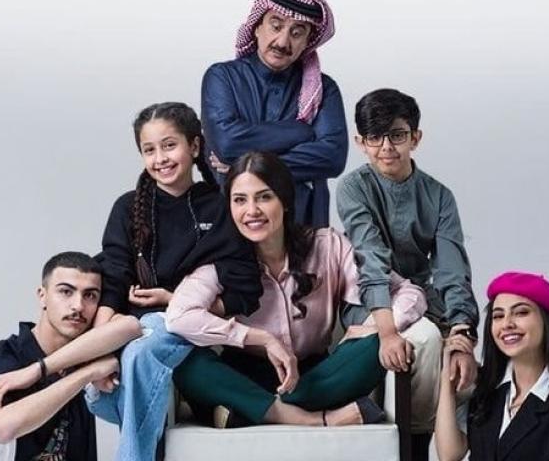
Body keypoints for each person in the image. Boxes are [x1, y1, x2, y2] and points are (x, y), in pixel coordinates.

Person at [0, 103, 263, 461]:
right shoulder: (128, 208)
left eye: (169, 145)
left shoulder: (221, 208)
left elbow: (245, 289)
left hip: (191, 327)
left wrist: (176, 301)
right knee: (110, 388)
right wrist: (99, 352)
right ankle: (190, 402)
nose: (160, 158)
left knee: (143, 353)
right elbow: (113, 279)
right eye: (149, 150)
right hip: (131, 330)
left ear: (194, 146)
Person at [167, 151, 426, 428]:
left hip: (316, 378)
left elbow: (408, 292)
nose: (251, 211)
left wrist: (378, 328)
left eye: (264, 197)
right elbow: (177, 317)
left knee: (378, 344)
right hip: (242, 378)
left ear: (285, 201)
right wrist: (263, 339)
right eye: (240, 200)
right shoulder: (220, 262)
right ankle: (314, 418)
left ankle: (249, 414)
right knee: (179, 359)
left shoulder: (327, 246)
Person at [336, 88, 480, 459]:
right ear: (361, 143)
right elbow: (370, 257)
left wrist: (462, 329)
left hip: (426, 303)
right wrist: (386, 331)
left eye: (397, 135)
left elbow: (451, 269)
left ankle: (438, 443)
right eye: (375, 137)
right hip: (370, 304)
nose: (387, 147)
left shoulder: (439, 196)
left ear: (415, 138)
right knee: (427, 340)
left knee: (466, 368)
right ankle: (412, 446)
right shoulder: (353, 187)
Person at [0, 252, 141, 461]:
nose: (78, 306)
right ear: (42, 296)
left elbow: (132, 326)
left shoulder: (94, 345)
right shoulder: (10, 355)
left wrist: (39, 369)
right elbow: (2, 428)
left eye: (90, 295)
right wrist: (86, 373)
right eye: (66, 292)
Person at [202, 0, 347, 228]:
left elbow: (332, 157)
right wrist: (300, 132)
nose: (282, 42)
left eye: (297, 33)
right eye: (276, 26)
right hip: (237, 227)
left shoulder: (323, 89)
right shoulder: (222, 77)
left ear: (307, 42)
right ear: (257, 27)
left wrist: (243, 166)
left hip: (303, 223)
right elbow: (227, 144)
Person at [435, 272, 549, 460]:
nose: (506, 324)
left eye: (521, 312)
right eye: (498, 316)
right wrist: (448, 379)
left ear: (547, 321)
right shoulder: (488, 393)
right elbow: (449, 454)